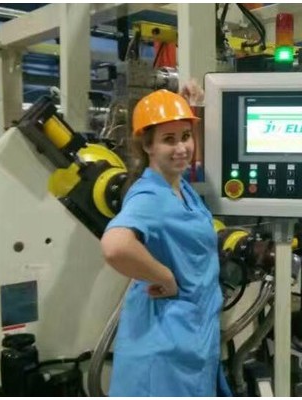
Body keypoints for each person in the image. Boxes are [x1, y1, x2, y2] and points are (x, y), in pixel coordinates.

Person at [100, 88, 232, 396]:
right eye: (168, 140)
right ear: (147, 145)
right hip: (162, 348)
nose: (182, 148)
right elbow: (115, 246)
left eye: (186, 136)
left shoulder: (178, 186)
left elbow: (188, 156)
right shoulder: (151, 196)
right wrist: (165, 278)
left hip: (188, 338)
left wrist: (193, 104)